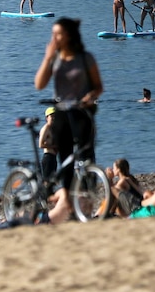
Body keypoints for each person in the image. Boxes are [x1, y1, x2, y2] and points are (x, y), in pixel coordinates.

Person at [34, 17, 103, 224]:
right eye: (53, 34)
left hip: (81, 112)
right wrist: (47, 58)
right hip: (62, 112)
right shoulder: (55, 59)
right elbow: (39, 84)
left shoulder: (85, 58)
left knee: (85, 153)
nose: (54, 38)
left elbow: (98, 87)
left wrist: (90, 97)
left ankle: (84, 190)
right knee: (64, 155)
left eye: (58, 34)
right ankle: (65, 196)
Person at [38, 107, 58, 180]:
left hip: (54, 158)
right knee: (47, 181)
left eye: (55, 116)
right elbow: (40, 144)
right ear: (47, 118)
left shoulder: (54, 128)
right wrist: (53, 146)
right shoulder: (45, 129)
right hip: (48, 158)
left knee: (53, 181)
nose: (54, 118)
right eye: (51, 116)